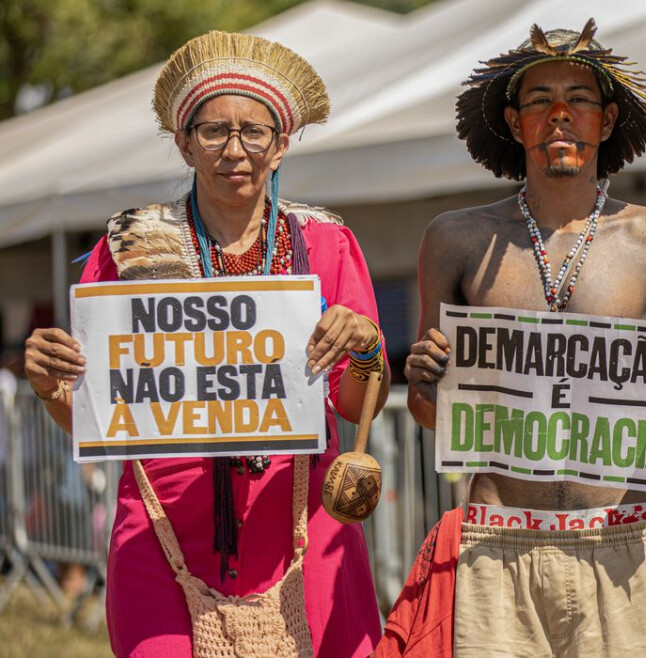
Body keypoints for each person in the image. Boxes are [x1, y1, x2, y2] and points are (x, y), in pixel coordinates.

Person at [23, 31, 387, 656]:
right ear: (184, 143)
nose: (235, 150)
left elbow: (355, 407)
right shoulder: (129, 248)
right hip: (161, 532)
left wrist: (363, 350)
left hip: (304, 528)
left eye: (255, 131)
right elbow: (95, 413)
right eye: (214, 130)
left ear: (283, 144)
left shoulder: (325, 243)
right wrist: (50, 385)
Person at [380, 20, 646, 657]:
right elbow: (431, 413)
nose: (560, 115)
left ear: (607, 120)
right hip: (496, 544)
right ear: (514, 123)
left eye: (579, 100)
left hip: (624, 540)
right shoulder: (456, 238)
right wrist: (424, 382)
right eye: (539, 101)